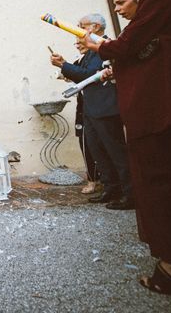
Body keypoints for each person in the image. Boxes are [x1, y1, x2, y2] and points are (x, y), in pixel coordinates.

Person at [81, 0, 171, 294]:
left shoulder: (163, 0)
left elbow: (125, 46)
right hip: (169, 106)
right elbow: (148, 51)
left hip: (155, 110)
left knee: (157, 184)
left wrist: (98, 45)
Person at [51, 14, 132, 210]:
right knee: (98, 150)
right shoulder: (91, 51)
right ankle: (111, 188)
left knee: (116, 152)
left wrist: (64, 65)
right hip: (92, 108)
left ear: (95, 27)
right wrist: (65, 64)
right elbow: (82, 75)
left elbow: (90, 75)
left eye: (81, 25)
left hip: (106, 107)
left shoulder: (103, 46)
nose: (77, 28)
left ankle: (130, 194)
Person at [69, 40, 100, 195]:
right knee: (86, 143)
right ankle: (93, 179)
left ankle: (97, 181)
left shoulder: (96, 57)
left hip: (96, 108)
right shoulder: (82, 60)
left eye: (80, 42)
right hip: (83, 108)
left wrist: (63, 65)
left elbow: (85, 75)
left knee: (96, 145)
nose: (77, 45)